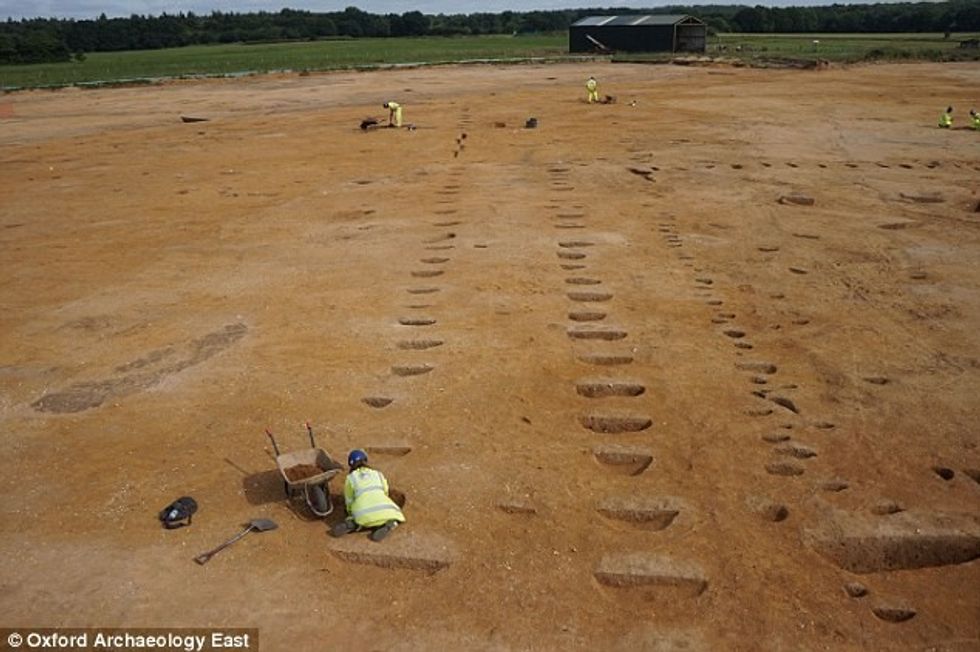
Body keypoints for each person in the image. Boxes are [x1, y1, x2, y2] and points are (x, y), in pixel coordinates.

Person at [330, 449, 405, 542]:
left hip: (362, 515)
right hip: (384, 511)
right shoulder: (378, 474)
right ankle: (389, 525)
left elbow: (349, 501)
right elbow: (385, 492)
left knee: (357, 516)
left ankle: (352, 524)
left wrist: (350, 513)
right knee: (395, 514)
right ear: (365, 460)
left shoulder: (351, 478)